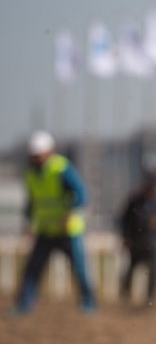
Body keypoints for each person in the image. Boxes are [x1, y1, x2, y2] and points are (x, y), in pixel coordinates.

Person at [12, 131, 97, 314]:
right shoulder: (31, 175)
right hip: (46, 230)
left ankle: (88, 303)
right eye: (33, 156)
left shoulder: (61, 169)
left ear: (48, 152)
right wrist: (28, 222)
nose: (36, 159)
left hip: (68, 230)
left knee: (80, 269)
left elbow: (81, 195)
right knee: (32, 269)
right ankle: (24, 304)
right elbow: (33, 202)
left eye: (39, 155)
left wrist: (69, 210)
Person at [118, 165, 156, 306]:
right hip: (136, 241)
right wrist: (126, 237)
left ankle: (151, 298)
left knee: (154, 271)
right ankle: (125, 296)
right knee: (131, 269)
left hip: (152, 242)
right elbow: (124, 220)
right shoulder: (135, 200)